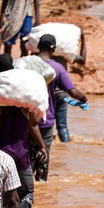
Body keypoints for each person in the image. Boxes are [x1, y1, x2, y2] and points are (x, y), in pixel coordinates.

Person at [0, 55, 47, 208]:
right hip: (22, 157)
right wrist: (42, 146)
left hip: (1, 155)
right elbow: (33, 124)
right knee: (27, 193)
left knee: (0, 195)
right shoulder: (25, 106)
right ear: (13, 68)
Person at [35, 36, 86, 181]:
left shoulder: (27, 63)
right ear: (53, 49)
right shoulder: (57, 68)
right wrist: (83, 98)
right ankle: (42, 182)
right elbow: (72, 91)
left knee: (27, 154)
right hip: (45, 119)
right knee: (44, 153)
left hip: (25, 118)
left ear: (38, 46)